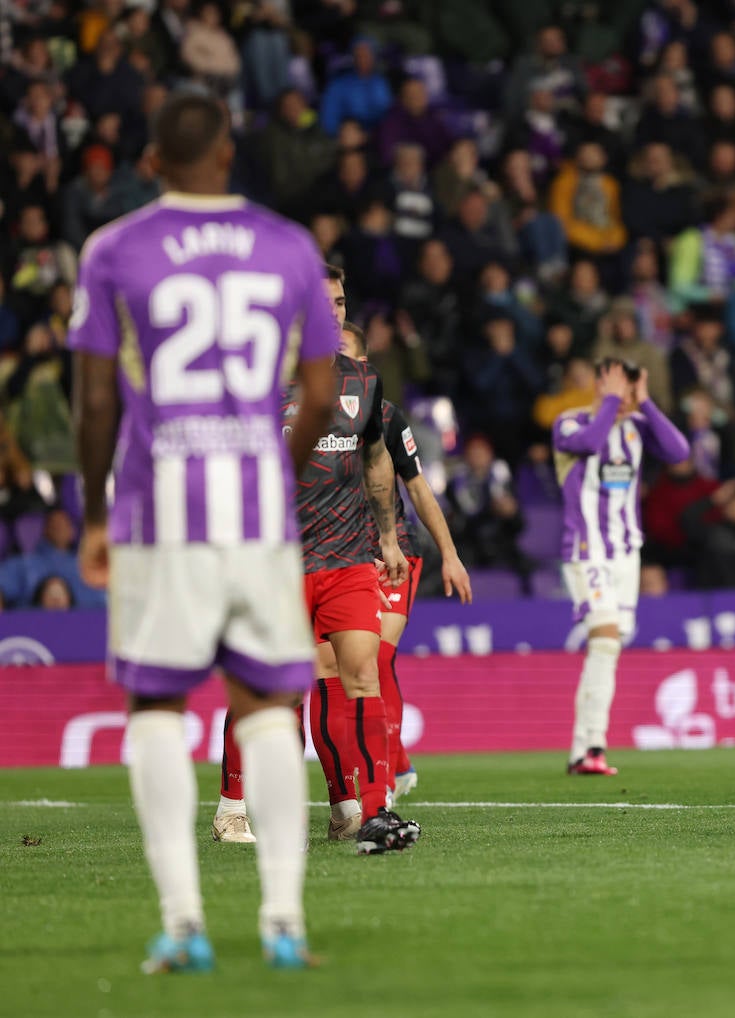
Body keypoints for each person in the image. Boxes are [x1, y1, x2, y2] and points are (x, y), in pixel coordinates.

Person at [68, 93, 339, 971]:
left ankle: (183, 922)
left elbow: (98, 396)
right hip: (257, 514)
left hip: (159, 512)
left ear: (151, 161)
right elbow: (326, 393)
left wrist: (98, 512)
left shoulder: (114, 249)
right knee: (265, 705)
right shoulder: (290, 245)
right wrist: (271, 464)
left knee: (156, 703)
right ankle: (283, 921)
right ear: (229, 151)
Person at [213, 264, 420, 856]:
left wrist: (386, 538)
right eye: (321, 301)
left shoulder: (363, 380)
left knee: (360, 674)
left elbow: (378, 460)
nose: (333, 312)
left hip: (349, 558)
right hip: (276, 563)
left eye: (340, 301)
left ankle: (370, 809)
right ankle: (231, 805)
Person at [335, 319, 473, 800]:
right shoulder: (306, 415)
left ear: (365, 365)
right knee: (346, 669)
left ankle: (384, 781)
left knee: (377, 656)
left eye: (347, 355)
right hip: (336, 557)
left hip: (394, 553)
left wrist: (450, 555)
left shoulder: (387, 418)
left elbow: (418, 488)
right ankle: (394, 762)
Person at [553, 358, 689, 774]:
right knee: (607, 640)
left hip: (627, 554)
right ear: (601, 384)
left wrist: (645, 403)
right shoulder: (570, 423)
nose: (625, 393)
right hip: (586, 548)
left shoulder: (635, 427)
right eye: (619, 384)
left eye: (631, 386)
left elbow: (679, 451)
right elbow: (590, 444)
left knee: (607, 648)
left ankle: (584, 749)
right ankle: (591, 747)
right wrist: (610, 399)